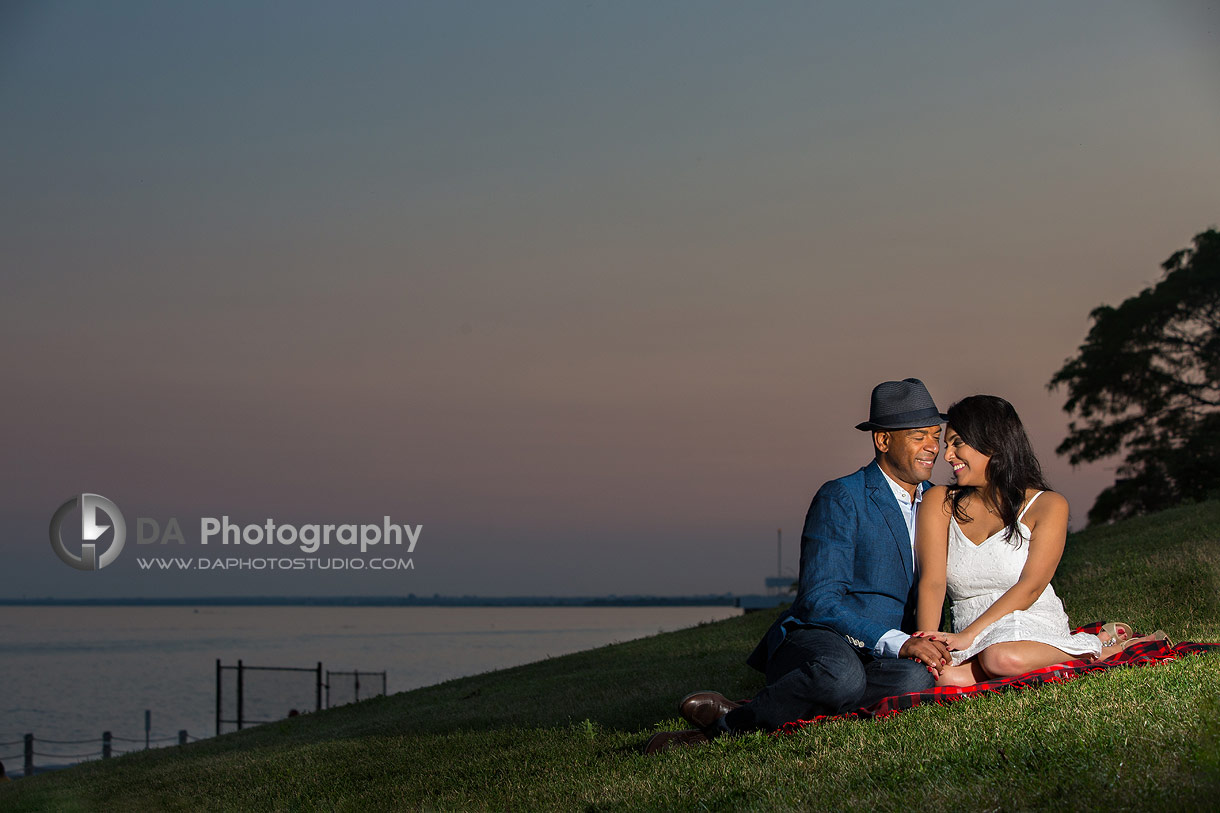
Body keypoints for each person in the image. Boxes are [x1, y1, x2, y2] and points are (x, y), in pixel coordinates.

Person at [646, 378, 953, 753]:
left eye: (936, 436)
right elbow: (819, 601)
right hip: (822, 637)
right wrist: (897, 642)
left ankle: (783, 704)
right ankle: (726, 727)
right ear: (883, 440)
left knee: (916, 682)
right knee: (842, 676)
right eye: (920, 436)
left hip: (886, 653)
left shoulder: (941, 504)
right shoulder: (842, 496)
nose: (933, 448)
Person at [912, 395, 1159, 687]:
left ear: (991, 443)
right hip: (968, 625)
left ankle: (1101, 650)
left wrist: (969, 636)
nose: (948, 456)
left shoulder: (1048, 505)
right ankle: (1078, 649)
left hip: (1026, 619)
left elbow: (1030, 587)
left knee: (1000, 659)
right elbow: (932, 582)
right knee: (942, 677)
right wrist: (928, 647)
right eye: (947, 446)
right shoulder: (939, 501)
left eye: (957, 443)